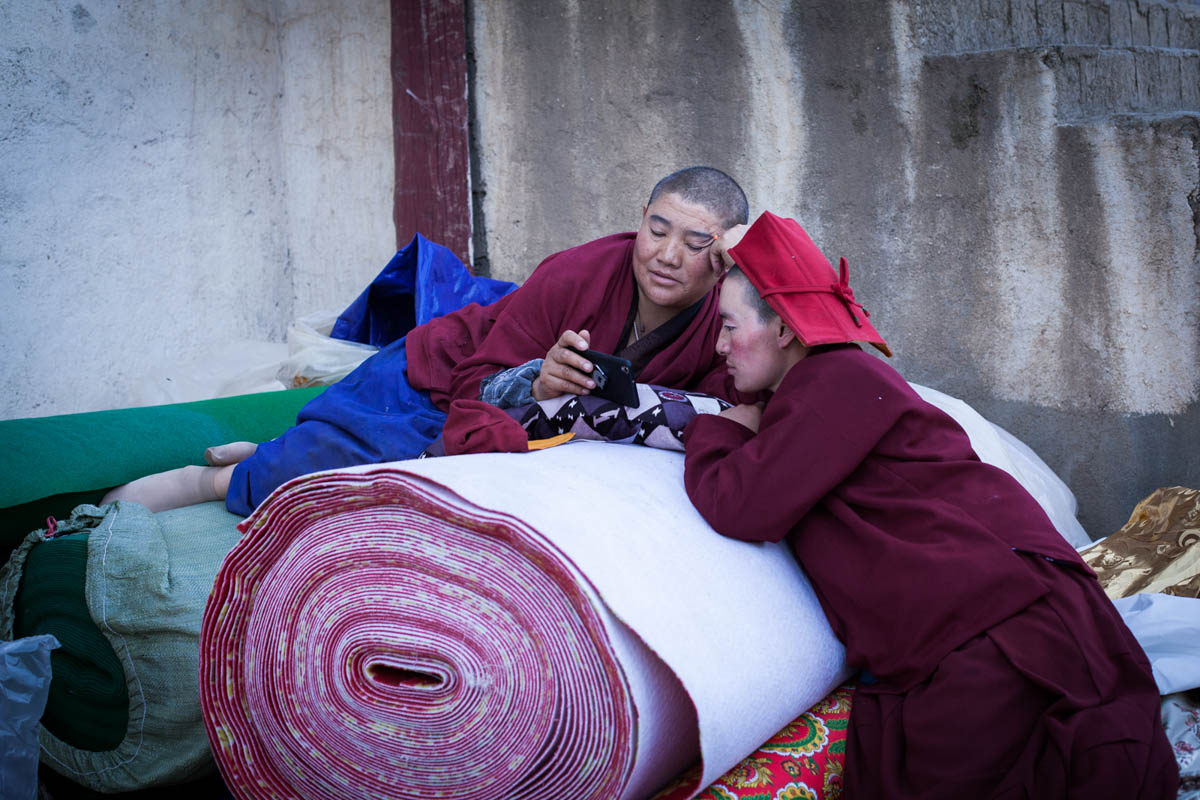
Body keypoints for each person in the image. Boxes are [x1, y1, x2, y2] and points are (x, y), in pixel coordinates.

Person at [682, 211, 1179, 798]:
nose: (718, 348)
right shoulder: (819, 385)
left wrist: (721, 433)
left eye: (728, 326)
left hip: (1007, 617)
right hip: (994, 607)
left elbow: (740, 505)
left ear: (785, 330)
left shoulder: (834, 381)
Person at [104, 166, 755, 515]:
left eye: (695, 243)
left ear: (723, 255)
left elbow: (725, 409)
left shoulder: (724, 322)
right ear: (639, 221)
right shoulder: (576, 274)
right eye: (657, 229)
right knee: (331, 470)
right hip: (436, 383)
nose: (667, 255)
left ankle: (271, 454)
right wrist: (538, 383)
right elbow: (480, 380)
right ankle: (208, 480)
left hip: (534, 439)